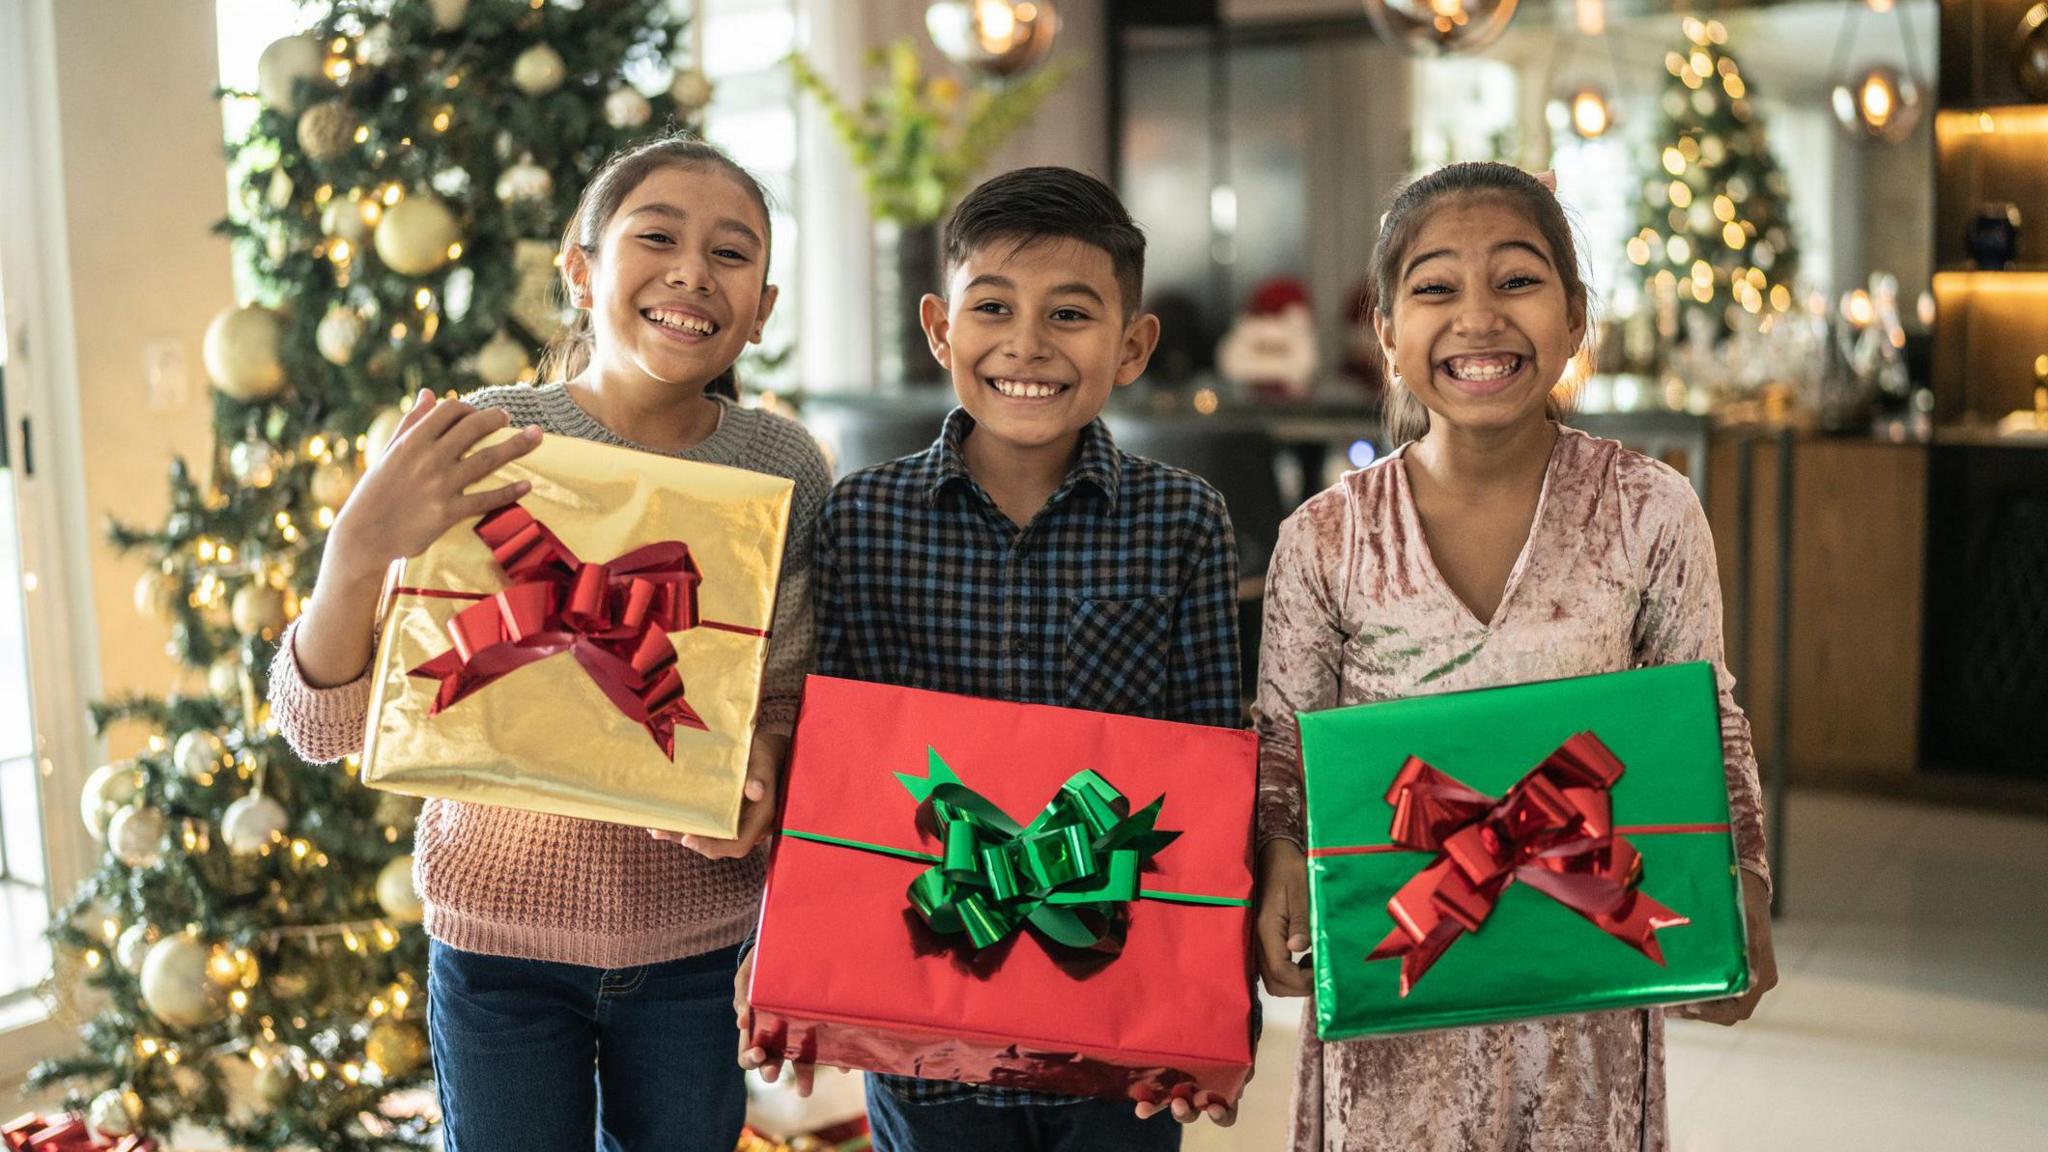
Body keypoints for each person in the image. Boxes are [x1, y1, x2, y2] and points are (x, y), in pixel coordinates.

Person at [269, 133, 829, 1152]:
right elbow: (321, 728)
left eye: (732, 252)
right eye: (654, 235)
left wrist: (762, 773)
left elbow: (785, 695)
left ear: (761, 310)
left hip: (697, 954)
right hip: (496, 951)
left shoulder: (782, 463)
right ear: (579, 270)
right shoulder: (480, 438)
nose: (691, 272)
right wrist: (351, 554)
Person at [1252, 161, 1778, 1152]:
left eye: (1517, 281)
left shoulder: (1649, 510)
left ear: (1574, 317)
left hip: (1583, 977)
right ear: (1385, 333)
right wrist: (1276, 855)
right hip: (1397, 971)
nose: (1478, 318)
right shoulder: (1323, 538)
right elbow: (1283, 748)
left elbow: (1706, 715)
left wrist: (1741, 877)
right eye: (1435, 287)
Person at [738, 166, 1244, 1150]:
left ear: (1132, 345)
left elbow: (1208, 759)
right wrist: (786, 965)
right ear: (939, 328)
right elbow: (832, 770)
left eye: (1069, 314)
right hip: (924, 1012)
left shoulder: (1181, 519)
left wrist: (1205, 1011)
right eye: (993, 308)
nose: (1026, 345)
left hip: (1118, 1018)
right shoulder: (865, 517)